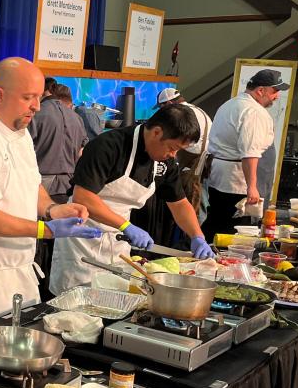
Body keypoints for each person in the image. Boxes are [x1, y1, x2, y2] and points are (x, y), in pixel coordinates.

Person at [0, 58, 101, 329]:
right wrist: (46, 230)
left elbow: (31, 184)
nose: (36, 107)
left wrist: (53, 209)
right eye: (28, 97)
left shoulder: (21, 133)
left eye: (39, 97)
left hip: (19, 275)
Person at [49, 105, 216, 294]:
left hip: (119, 242)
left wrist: (197, 236)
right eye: (172, 148)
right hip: (82, 238)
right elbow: (83, 196)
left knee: (114, 297)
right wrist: (126, 226)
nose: (172, 155)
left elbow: (179, 203)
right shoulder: (108, 146)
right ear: (156, 132)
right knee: (77, 301)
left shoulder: (165, 162)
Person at [202, 69, 289, 240]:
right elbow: (250, 153)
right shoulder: (253, 112)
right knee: (237, 231)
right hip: (237, 182)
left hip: (219, 176)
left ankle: (206, 255)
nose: (277, 96)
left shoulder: (230, 104)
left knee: (217, 221)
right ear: (260, 90)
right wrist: (252, 187)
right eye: (274, 91)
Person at [155, 87, 212, 221]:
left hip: (194, 160)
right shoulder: (198, 110)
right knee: (199, 199)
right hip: (206, 159)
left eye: (161, 107)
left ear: (168, 104)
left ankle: (191, 238)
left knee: (192, 201)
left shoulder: (182, 114)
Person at [29, 83, 87, 203]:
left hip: (40, 188)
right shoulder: (77, 118)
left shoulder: (34, 115)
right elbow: (82, 152)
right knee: (61, 221)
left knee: (39, 222)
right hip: (68, 186)